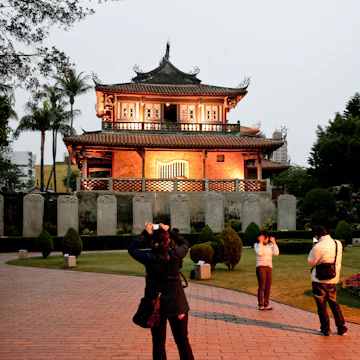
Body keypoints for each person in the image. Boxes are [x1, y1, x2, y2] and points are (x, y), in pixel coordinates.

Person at [128, 222, 194, 360]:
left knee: (158, 344)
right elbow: (185, 243)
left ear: (153, 242)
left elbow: (132, 248)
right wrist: (169, 230)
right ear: (168, 240)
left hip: (155, 305)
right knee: (182, 341)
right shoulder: (175, 255)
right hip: (177, 305)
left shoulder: (149, 257)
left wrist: (146, 232)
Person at [308, 225, 348, 336]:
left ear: (316, 235)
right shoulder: (337, 243)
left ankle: (325, 328)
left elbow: (311, 262)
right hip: (333, 278)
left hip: (319, 279)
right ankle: (341, 327)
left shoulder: (318, 246)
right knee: (334, 303)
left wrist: (313, 247)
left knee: (321, 305)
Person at [254, 230, 279, 310]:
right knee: (262, 286)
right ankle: (261, 304)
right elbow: (260, 253)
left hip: (269, 267)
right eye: (263, 238)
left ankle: (266, 304)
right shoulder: (257, 245)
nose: (265, 240)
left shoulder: (270, 245)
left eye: (266, 238)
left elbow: (276, 253)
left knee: (268, 287)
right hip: (261, 267)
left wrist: (274, 243)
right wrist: (261, 242)